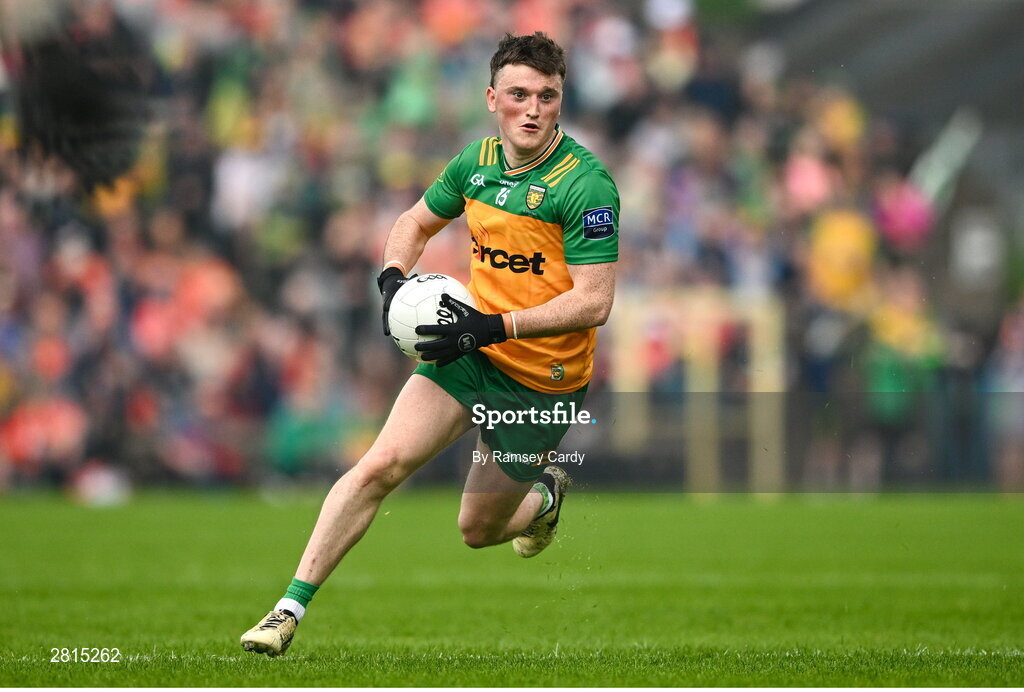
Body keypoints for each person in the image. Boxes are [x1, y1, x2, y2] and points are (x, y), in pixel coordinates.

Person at [240, 31, 619, 657]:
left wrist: (494, 326)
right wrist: (392, 280)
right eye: (519, 95)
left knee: (477, 529)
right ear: (492, 98)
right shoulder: (475, 162)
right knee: (379, 466)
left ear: (560, 100)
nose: (533, 109)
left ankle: (546, 496)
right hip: (469, 352)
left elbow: (594, 302)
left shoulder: (586, 184)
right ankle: (287, 610)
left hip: (541, 381)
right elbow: (414, 222)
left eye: (547, 96)